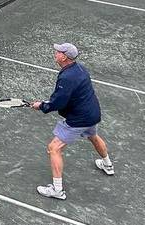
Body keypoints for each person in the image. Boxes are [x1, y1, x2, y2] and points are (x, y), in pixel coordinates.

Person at [29, 42, 114, 200]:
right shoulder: (79, 68)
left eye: (59, 51)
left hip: (79, 118)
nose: (56, 53)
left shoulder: (67, 77)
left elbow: (58, 102)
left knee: (54, 148)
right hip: (92, 113)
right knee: (93, 136)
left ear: (64, 57)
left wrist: (42, 106)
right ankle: (108, 165)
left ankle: (57, 190)